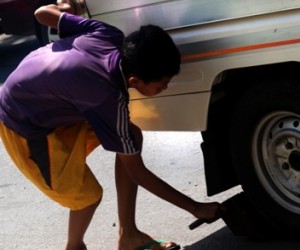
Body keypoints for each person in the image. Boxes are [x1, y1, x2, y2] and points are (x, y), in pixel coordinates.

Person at [0, 1, 222, 250]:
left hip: (46, 102)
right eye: (161, 85)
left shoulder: (108, 33)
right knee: (86, 198)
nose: (165, 89)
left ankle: (128, 236)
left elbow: (41, 14)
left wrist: (67, 6)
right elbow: (138, 173)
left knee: (131, 138)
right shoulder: (107, 97)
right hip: (23, 125)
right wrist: (195, 207)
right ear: (134, 80)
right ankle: (74, 247)